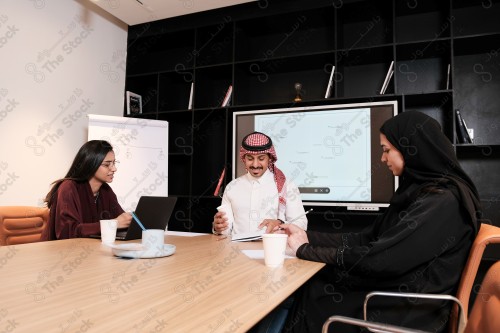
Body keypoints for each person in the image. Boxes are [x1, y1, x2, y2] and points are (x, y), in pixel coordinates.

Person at [279, 111, 482, 333]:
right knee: (318, 285)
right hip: (397, 290)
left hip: (408, 308)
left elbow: (380, 259)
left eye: (386, 150)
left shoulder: (442, 201)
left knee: (317, 291)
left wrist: (305, 250)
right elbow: (366, 238)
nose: (382, 159)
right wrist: (308, 237)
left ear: (410, 149)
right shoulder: (419, 191)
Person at [212, 131, 308, 236]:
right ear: (244, 158)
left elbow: (301, 223)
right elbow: (225, 231)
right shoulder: (232, 187)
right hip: (236, 250)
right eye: (250, 158)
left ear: (269, 158)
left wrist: (280, 223)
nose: (255, 164)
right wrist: (218, 228)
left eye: (261, 158)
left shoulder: (287, 186)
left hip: (273, 250)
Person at [41, 140, 131, 240]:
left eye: (114, 163)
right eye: (106, 165)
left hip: (89, 250)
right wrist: (112, 224)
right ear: (90, 164)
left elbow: (120, 219)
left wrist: (129, 221)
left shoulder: (106, 190)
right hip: (60, 252)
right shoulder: (68, 188)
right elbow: (67, 232)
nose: (114, 169)